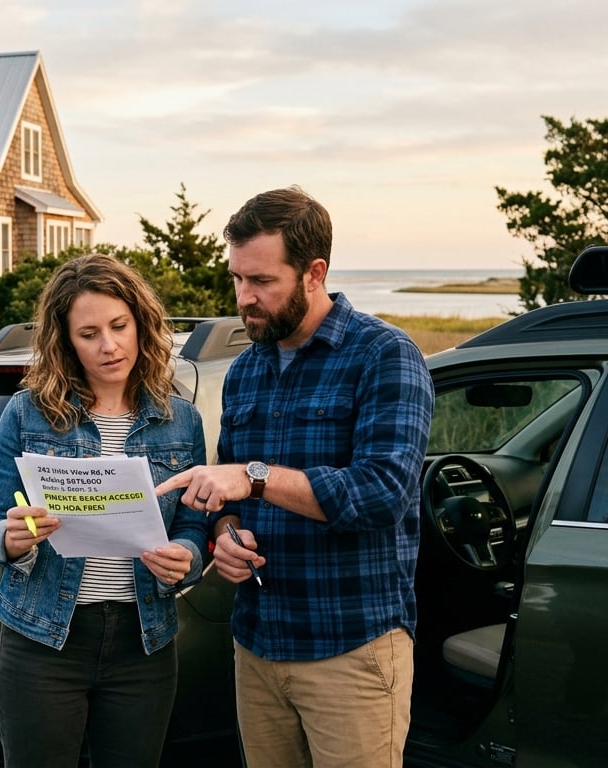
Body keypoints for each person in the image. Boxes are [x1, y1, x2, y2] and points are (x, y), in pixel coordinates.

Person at [155, 187, 434, 768]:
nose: (244, 298)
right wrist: (227, 536)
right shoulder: (246, 370)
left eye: (262, 281)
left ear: (314, 273)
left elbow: (382, 493)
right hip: (257, 645)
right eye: (237, 278)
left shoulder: (384, 355)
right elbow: (229, 497)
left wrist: (255, 478)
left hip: (351, 650)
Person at [0, 253, 209, 767]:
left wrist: (186, 557)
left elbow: (194, 527)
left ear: (141, 323)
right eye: (88, 334)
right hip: (41, 640)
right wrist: (11, 540)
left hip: (143, 644)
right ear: (66, 341)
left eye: (119, 326)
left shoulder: (182, 421)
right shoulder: (27, 413)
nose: (108, 346)